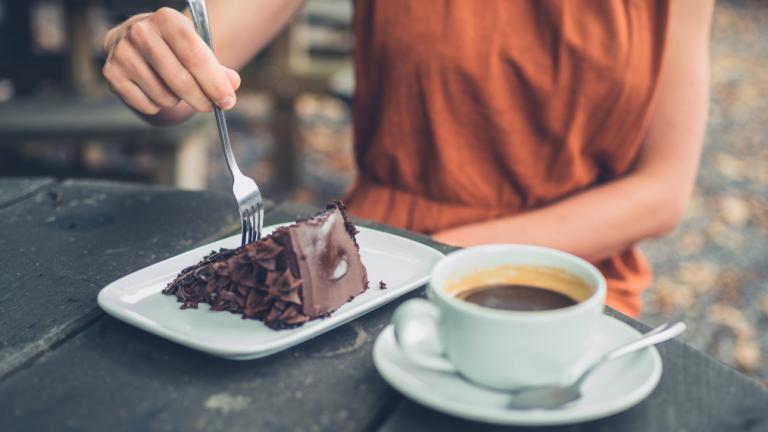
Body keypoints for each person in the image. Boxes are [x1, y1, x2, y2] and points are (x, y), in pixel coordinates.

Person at [102, 0, 713, 317]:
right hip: (376, 259)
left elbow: (662, 192)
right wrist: (148, 54)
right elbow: (191, 80)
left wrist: (436, 256)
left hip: (567, 269)